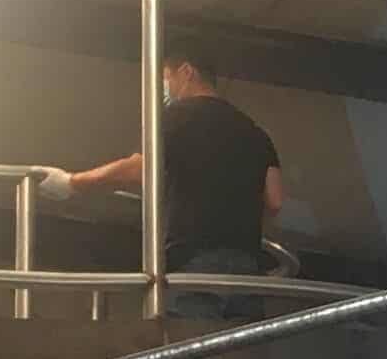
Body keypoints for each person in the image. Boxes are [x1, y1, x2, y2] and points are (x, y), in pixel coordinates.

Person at [45, 55, 285, 310]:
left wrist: (71, 182)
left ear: (187, 71)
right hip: (247, 269)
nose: (164, 88)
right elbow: (275, 201)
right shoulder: (255, 132)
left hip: (191, 262)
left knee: (187, 334)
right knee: (242, 337)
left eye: (166, 78)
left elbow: (139, 169)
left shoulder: (174, 118)